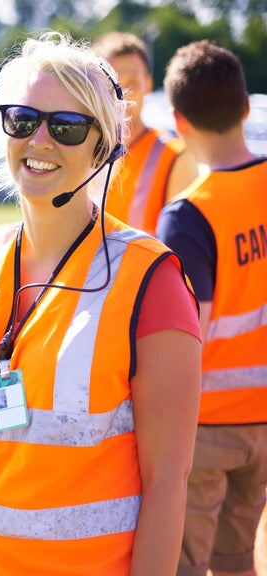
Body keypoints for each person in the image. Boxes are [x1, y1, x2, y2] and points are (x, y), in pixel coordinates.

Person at [0, 32, 202, 575]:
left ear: (102, 146)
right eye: (22, 120)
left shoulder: (150, 283)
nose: (40, 140)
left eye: (65, 127)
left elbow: (167, 483)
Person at [156, 41, 267, 576]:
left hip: (207, 428)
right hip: (264, 424)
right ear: (247, 105)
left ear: (178, 121)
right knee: (237, 560)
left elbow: (186, 333)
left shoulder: (188, 216)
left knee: (184, 563)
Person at [92, 31, 199, 234]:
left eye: (132, 83)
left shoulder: (175, 157)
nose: (122, 95)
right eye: (111, 84)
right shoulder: (81, 154)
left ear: (148, 85)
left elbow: (186, 251)